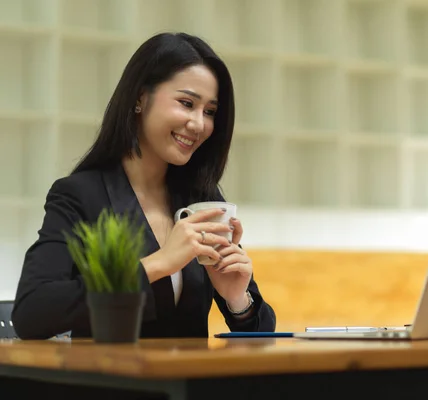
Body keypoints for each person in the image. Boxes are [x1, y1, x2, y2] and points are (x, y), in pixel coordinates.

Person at [11, 32, 276, 339]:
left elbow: (262, 333)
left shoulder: (202, 199)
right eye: (186, 103)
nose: (199, 124)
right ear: (140, 98)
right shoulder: (80, 195)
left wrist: (236, 299)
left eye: (210, 112)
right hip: (115, 384)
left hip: (191, 384)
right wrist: (157, 264)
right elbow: (32, 313)